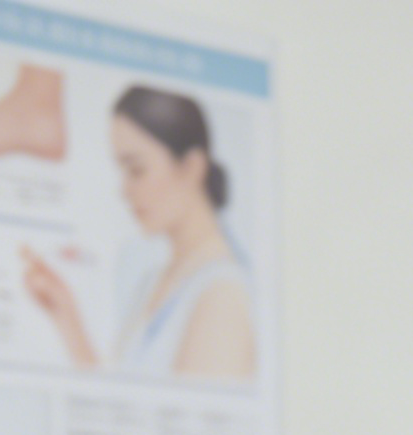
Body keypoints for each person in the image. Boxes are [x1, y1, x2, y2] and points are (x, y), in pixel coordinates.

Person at [19, 86, 257, 379]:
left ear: (192, 167)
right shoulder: (152, 281)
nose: (125, 190)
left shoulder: (224, 295)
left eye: (137, 170)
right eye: (122, 171)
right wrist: (66, 315)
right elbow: (120, 402)